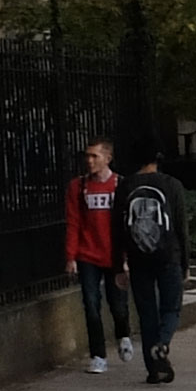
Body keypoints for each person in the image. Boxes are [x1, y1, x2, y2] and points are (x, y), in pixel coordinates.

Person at [115, 145, 189, 385]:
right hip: (168, 255)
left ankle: (154, 368)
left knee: (147, 313)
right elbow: (181, 227)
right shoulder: (172, 185)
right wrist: (185, 261)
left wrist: (119, 264)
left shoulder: (125, 186)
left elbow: (116, 229)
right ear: (157, 159)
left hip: (138, 257)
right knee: (171, 307)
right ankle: (163, 343)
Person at [65, 139, 133, 373]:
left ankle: (123, 334)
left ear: (107, 158)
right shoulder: (78, 186)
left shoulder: (121, 185)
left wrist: (126, 257)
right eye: (87, 156)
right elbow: (74, 222)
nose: (89, 161)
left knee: (118, 304)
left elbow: (127, 224)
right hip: (88, 254)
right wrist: (71, 256)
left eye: (95, 156)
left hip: (114, 254)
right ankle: (98, 355)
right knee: (91, 304)